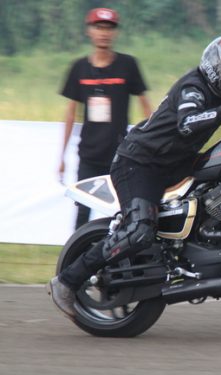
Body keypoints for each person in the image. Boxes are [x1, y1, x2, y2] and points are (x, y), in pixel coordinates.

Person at [47, 27, 221, 318]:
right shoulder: (194, 87)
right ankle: (67, 281)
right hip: (140, 163)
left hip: (176, 164)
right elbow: (188, 122)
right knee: (139, 231)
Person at [59, 7, 152, 229]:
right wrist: (61, 156)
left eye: (109, 28)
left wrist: (153, 143)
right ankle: (78, 251)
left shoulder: (128, 65)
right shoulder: (79, 68)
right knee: (82, 213)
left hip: (120, 156)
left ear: (115, 32)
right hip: (89, 156)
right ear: (89, 31)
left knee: (124, 212)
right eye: (98, 27)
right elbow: (70, 113)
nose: (103, 33)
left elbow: (146, 108)